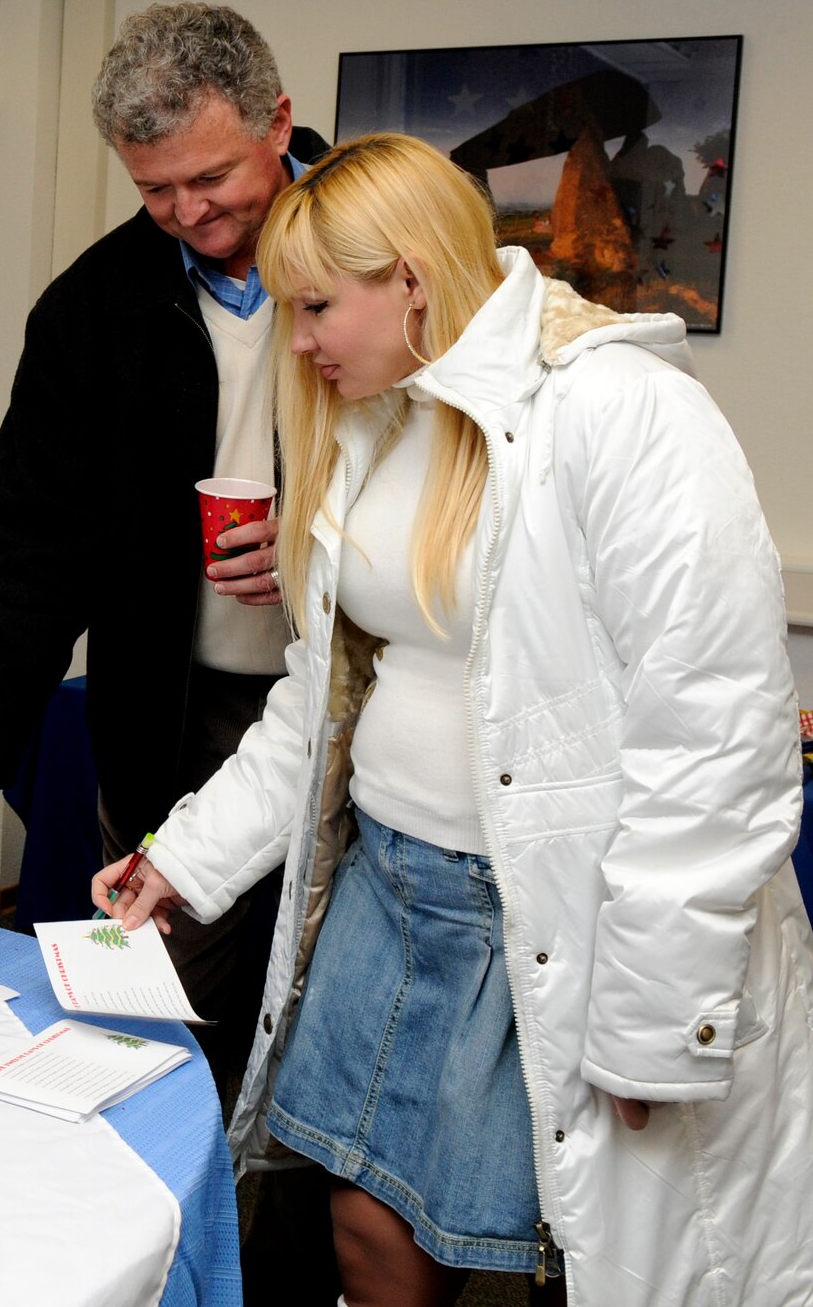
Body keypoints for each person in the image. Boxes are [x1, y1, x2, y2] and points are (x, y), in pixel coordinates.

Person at [97, 132, 813, 1307]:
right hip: (391, 892)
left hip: (554, 912)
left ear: (411, 277)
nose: (301, 340)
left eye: (318, 304)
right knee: (367, 1228)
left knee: (574, 1255)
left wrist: (649, 1015)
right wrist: (183, 857)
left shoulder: (621, 410)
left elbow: (717, 738)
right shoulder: (374, 419)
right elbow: (320, 699)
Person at [0, 1, 320, 1101]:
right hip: (164, 718)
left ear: (277, 122)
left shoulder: (379, 259)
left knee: (323, 1045)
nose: (187, 212)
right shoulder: (92, 307)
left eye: (210, 177)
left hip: (348, 714)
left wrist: (319, 543)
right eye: (152, 189)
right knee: (159, 1031)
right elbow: (25, 544)